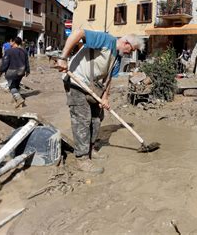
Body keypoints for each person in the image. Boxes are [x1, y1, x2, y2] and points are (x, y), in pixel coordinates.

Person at [54, 29, 144, 174]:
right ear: (126, 42)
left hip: (93, 87)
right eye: (131, 50)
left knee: (96, 119)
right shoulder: (105, 39)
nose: (129, 53)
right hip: (76, 81)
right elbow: (78, 33)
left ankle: (90, 149)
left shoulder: (117, 57)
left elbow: (108, 79)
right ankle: (82, 159)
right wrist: (63, 57)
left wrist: (105, 97)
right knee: (82, 119)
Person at [0, 37, 30, 108]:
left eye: (10, 41)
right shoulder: (24, 51)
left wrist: (1, 70)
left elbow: (5, 63)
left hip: (11, 72)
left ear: (13, 42)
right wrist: (27, 70)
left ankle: (19, 99)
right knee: (16, 85)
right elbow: (27, 62)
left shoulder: (9, 51)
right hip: (21, 71)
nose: (10, 43)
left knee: (11, 86)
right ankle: (15, 101)